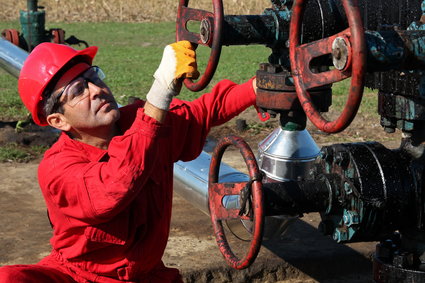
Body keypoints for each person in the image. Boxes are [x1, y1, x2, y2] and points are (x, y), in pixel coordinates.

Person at [0, 41, 257, 282]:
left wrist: (258, 88)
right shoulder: (57, 169)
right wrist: (159, 95)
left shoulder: (140, 120)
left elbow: (203, 111)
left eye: (93, 77)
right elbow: (115, 186)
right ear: (59, 121)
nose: (97, 90)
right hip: (79, 277)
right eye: (78, 90)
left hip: (146, 275)